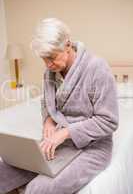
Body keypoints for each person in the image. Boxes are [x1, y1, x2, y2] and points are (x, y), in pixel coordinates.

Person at [0, 18, 119, 194]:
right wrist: (48, 120)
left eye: (52, 58)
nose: (48, 65)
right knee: (3, 171)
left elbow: (108, 121)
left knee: (39, 188)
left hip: (92, 147)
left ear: (68, 45)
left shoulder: (97, 68)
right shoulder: (51, 71)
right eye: (44, 59)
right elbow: (46, 102)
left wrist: (66, 132)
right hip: (59, 143)